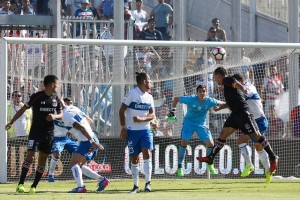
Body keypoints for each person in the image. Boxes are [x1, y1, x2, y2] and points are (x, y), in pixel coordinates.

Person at [196, 67, 279, 179]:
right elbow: (232, 100)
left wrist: (243, 88)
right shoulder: (227, 85)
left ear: (218, 75)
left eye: (215, 77)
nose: (215, 81)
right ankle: (211, 157)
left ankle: (272, 157)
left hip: (245, 114)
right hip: (236, 114)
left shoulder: (227, 79)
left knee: (257, 137)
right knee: (223, 134)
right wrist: (220, 107)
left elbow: (236, 84)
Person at [5, 75, 62, 195]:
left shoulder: (56, 98)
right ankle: (20, 184)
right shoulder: (37, 96)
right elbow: (23, 109)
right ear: (51, 84)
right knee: (30, 156)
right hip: (35, 133)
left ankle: (34, 186)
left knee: (42, 160)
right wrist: (11, 122)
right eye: (57, 84)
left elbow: (61, 114)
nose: (58, 86)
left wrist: (54, 116)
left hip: (49, 134)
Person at [168, 85, 225, 176]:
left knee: (210, 144)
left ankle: (209, 164)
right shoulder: (191, 99)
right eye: (200, 91)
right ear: (197, 93)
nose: (202, 93)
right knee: (184, 143)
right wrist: (172, 111)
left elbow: (222, 103)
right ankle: (179, 167)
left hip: (201, 124)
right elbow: (176, 99)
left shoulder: (210, 101)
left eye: (204, 91)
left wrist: (231, 103)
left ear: (206, 92)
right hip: (188, 123)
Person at [60, 102, 110, 193]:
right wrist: (73, 131)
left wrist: (92, 142)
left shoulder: (66, 116)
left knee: (74, 164)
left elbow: (82, 128)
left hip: (88, 141)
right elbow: (90, 121)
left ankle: (80, 187)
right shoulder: (74, 108)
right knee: (79, 166)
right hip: (89, 139)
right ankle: (102, 180)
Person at [231, 74, 272, 183]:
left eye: (235, 83)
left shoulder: (248, 88)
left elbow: (242, 96)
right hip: (253, 121)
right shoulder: (245, 87)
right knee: (244, 141)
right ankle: (252, 166)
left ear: (239, 81)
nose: (234, 86)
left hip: (260, 121)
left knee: (258, 147)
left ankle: (265, 170)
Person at [119, 72, 155, 193]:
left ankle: (148, 184)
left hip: (146, 130)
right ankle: (135, 186)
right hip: (132, 132)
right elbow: (121, 110)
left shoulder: (149, 97)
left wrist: (142, 119)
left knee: (147, 153)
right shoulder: (132, 94)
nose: (150, 82)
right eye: (149, 80)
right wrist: (123, 127)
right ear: (144, 82)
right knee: (134, 158)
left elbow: (152, 115)